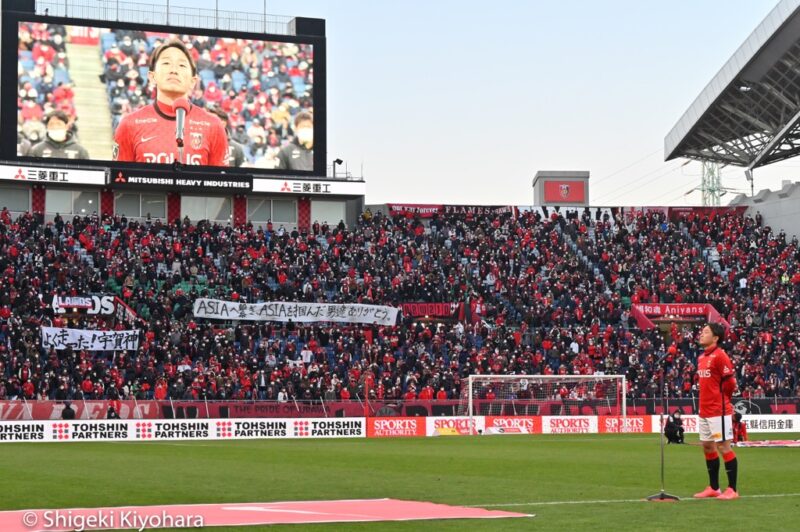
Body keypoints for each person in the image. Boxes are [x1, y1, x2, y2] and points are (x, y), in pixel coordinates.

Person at [113, 40, 228, 166]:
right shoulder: (129, 125)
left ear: (193, 81)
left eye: (182, 65)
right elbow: (119, 180)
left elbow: (220, 183)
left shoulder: (213, 126)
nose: (174, 70)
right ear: (152, 76)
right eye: (166, 63)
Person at [693, 322, 740, 500]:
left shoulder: (721, 356)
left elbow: (730, 383)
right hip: (704, 410)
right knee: (707, 446)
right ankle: (714, 487)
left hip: (718, 410)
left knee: (723, 446)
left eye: (705, 332)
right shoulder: (701, 358)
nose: (701, 334)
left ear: (715, 338)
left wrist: (724, 400)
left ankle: (733, 489)